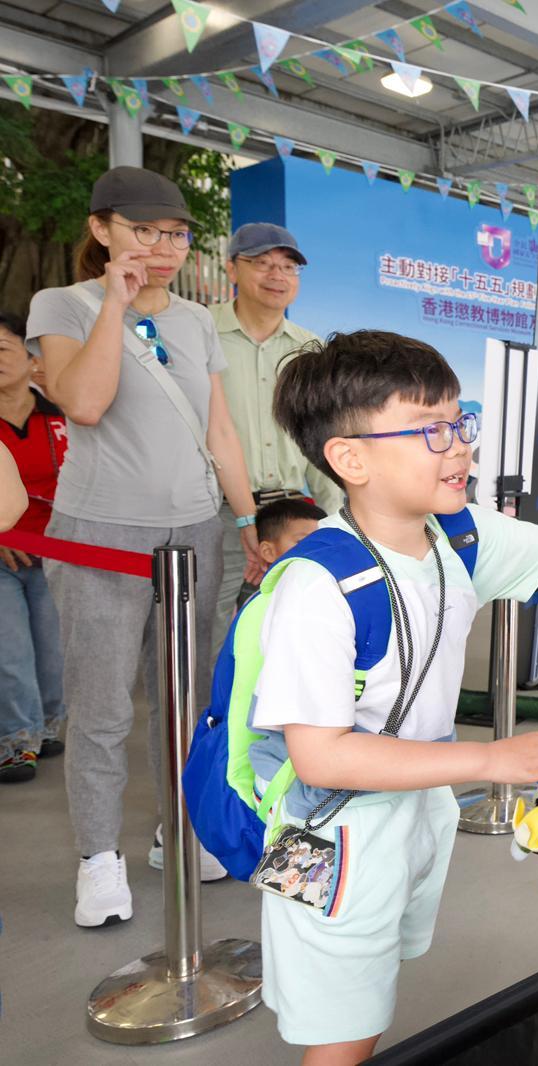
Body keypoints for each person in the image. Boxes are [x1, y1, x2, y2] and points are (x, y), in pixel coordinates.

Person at [258, 329, 538, 1064]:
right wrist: (495, 761)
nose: (460, 448)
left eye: (460, 423)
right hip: (336, 839)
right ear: (349, 458)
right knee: (343, 1033)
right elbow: (320, 756)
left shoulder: (455, 538)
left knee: (371, 994)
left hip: (416, 814)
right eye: (430, 430)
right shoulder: (317, 586)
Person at [27, 166, 264, 926]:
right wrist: (117, 304)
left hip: (195, 532)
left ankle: (178, 829)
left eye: (176, 234)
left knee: (187, 700)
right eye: (144, 231)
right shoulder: (63, 304)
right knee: (102, 708)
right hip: (101, 534)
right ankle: (98, 859)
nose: (162, 247)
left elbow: (219, 429)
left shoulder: (197, 322)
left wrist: (247, 519)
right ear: (102, 230)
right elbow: (85, 402)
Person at [210, 222, 341, 653]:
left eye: (288, 267)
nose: (277, 276)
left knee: (284, 636)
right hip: (217, 514)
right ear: (232, 269)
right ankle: (207, 721)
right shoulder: (201, 330)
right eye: (262, 263)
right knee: (208, 635)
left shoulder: (308, 348)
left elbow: (318, 435)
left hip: (290, 517)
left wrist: (338, 516)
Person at [0, 310, 68, 783]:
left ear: (30, 359)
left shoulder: (62, 414)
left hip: (58, 550)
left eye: (3, 350)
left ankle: (47, 726)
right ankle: (15, 741)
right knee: (10, 649)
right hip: (2, 551)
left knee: (52, 647)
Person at [233, 496, 326, 610]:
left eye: (323, 543)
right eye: (303, 542)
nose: (317, 549)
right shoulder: (255, 606)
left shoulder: (331, 591)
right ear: (268, 552)